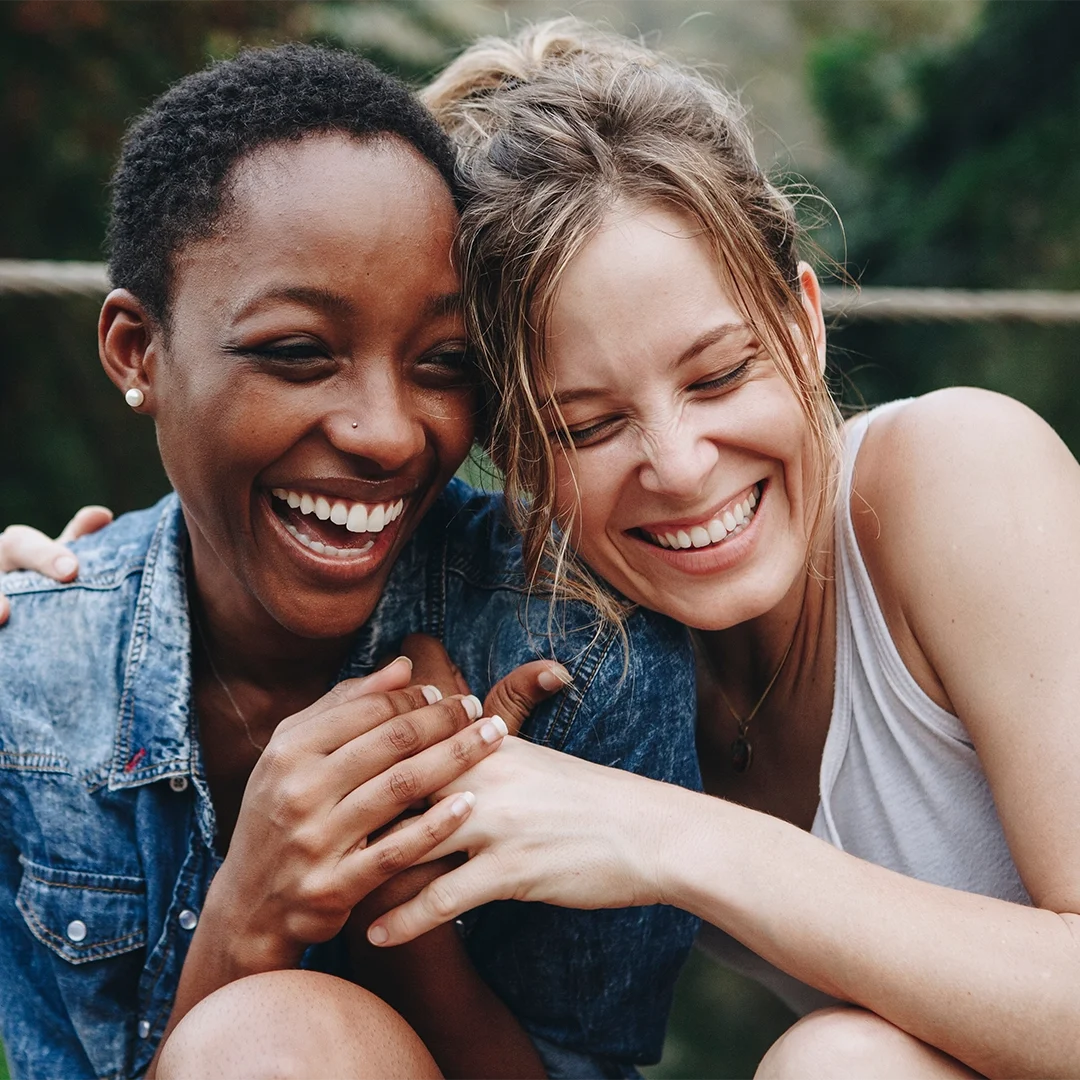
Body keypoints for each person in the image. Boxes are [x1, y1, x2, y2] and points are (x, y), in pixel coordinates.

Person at [350, 21, 1080, 1080]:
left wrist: (675, 841)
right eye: (588, 426)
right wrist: (57, 597)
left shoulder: (958, 474)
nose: (683, 467)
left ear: (803, 323)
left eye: (720, 374)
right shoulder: (598, 658)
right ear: (511, 457)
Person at [0, 43, 702, 1080]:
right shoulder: (31, 688)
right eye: (297, 352)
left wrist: (406, 903)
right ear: (135, 352)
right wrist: (250, 917)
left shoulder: (577, 653)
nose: (385, 433)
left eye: (444, 365)